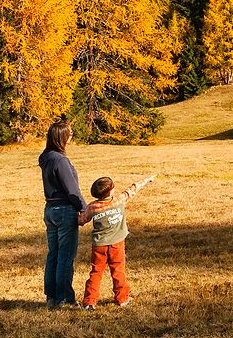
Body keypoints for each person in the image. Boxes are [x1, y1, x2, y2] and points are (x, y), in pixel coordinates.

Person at [79, 173, 156, 310]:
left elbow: (82, 220)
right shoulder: (119, 200)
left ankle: (90, 302)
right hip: (117, 244)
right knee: (118, 270)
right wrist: (147, 180)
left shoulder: (92, 207)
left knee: (96, 272)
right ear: (111, 190)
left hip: (99, 246)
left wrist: (75, 216)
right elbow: (132, 189)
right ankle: (122, 298)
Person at [38, 122, 86, 308]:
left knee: (54, 254)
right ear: (62, 138)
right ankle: (64, 298)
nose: (71, 137)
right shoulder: (60, 161)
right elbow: (71, 189)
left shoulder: (46, 158)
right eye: (69, 135)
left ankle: (51, 296)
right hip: (65, 210)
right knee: (65, 256)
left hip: (50, 210)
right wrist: (83, 208)